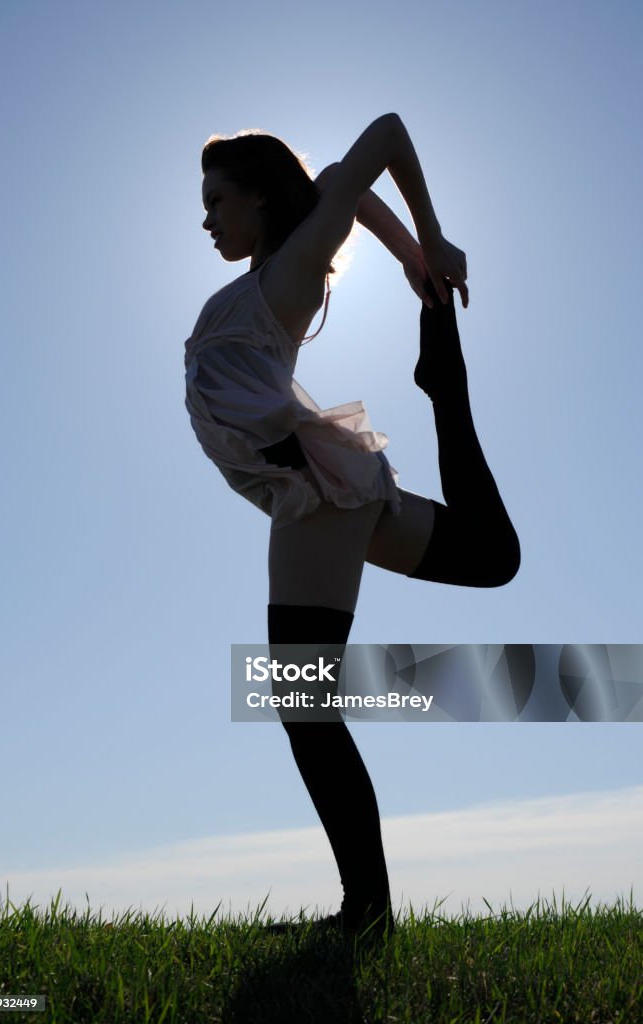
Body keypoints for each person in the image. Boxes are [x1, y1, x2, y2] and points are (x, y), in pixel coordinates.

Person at [184, 114, 520, 940]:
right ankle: (445, 378)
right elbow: (342, 174)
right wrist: (412, 262)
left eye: (217, 200)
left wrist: (432, 242)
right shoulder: (276, 264)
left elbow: (387, 134)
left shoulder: (291, 272)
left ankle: (366, 915)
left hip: (314, 490)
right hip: (313, 489)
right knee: (491, 557)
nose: (205, 220)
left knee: (303, 700)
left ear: (260, 198)